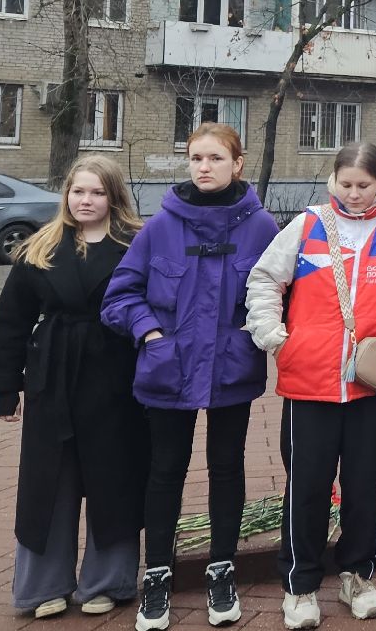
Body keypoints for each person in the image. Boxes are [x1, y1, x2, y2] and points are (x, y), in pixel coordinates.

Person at [245, 142, 376, 628]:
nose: (353, 195)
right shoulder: (307, 225)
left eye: (364, 186)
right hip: (310, 381)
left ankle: (357, 575)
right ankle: (301, 585)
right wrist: (274, 335)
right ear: (333, 181)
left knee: (367, 486)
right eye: (345, 185)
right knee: (307, 487)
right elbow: (265, 278)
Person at [103, 123, 278, 631]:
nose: (204, 167)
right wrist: (150, 333)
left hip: (231, 367)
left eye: (215, 158)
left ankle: (222, 570)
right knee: (165, 471)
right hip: (168, 370)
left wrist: (257, 334)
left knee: (227, 467)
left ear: (237, 164)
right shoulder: (160, 226)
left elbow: (284, 292)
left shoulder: (261, 226)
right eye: (196, 158)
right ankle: (158, 575)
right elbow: (120, 296)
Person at [0, 155, 148, 620]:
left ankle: (107, 580)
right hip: (51, 376)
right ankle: (43, 585)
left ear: (113, 197)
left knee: (112, 478)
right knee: (48, 483)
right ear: (66, 195)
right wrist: (5, 386)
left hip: (114, 376)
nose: (86, 201)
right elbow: (11, 321)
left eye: (96, 192)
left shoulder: (136, 245)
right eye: (78, 191)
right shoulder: (41, 246)